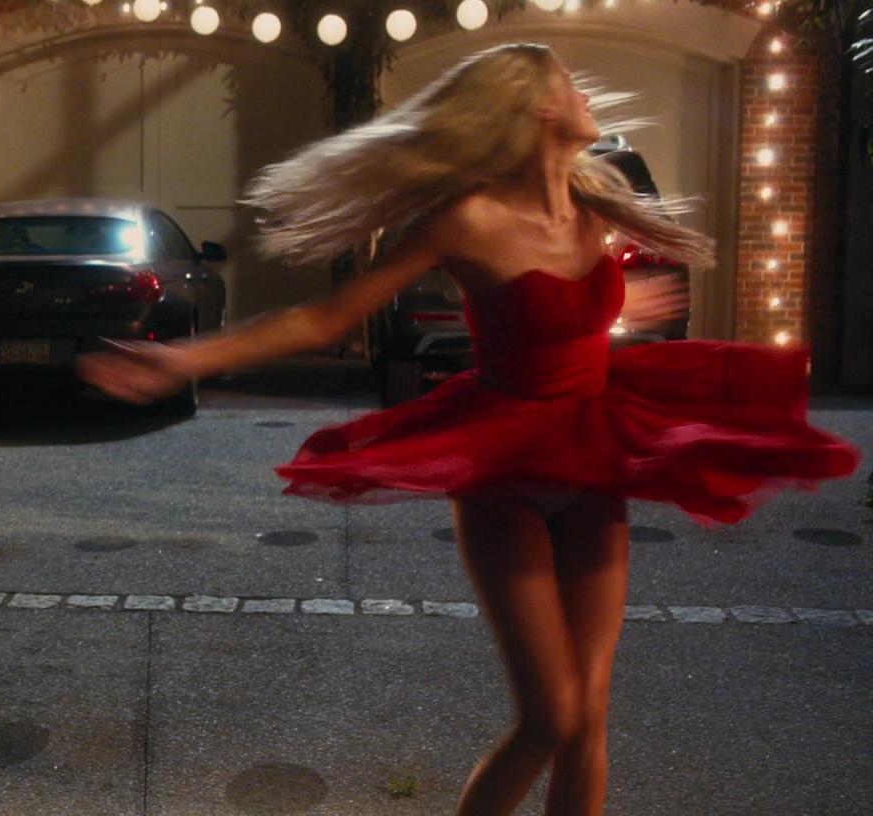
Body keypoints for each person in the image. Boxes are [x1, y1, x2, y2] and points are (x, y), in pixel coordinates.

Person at [77, 43, 860, 816]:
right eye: (569, 82)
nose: (586, 93)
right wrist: (185, 359)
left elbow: (575, 309)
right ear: (537, 108)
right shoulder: (465, 220)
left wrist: (608, 313)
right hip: (505, 470)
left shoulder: (595, 202)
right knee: (548, 718)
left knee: (588, 717)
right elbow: (326, 319)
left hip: (590, 458)